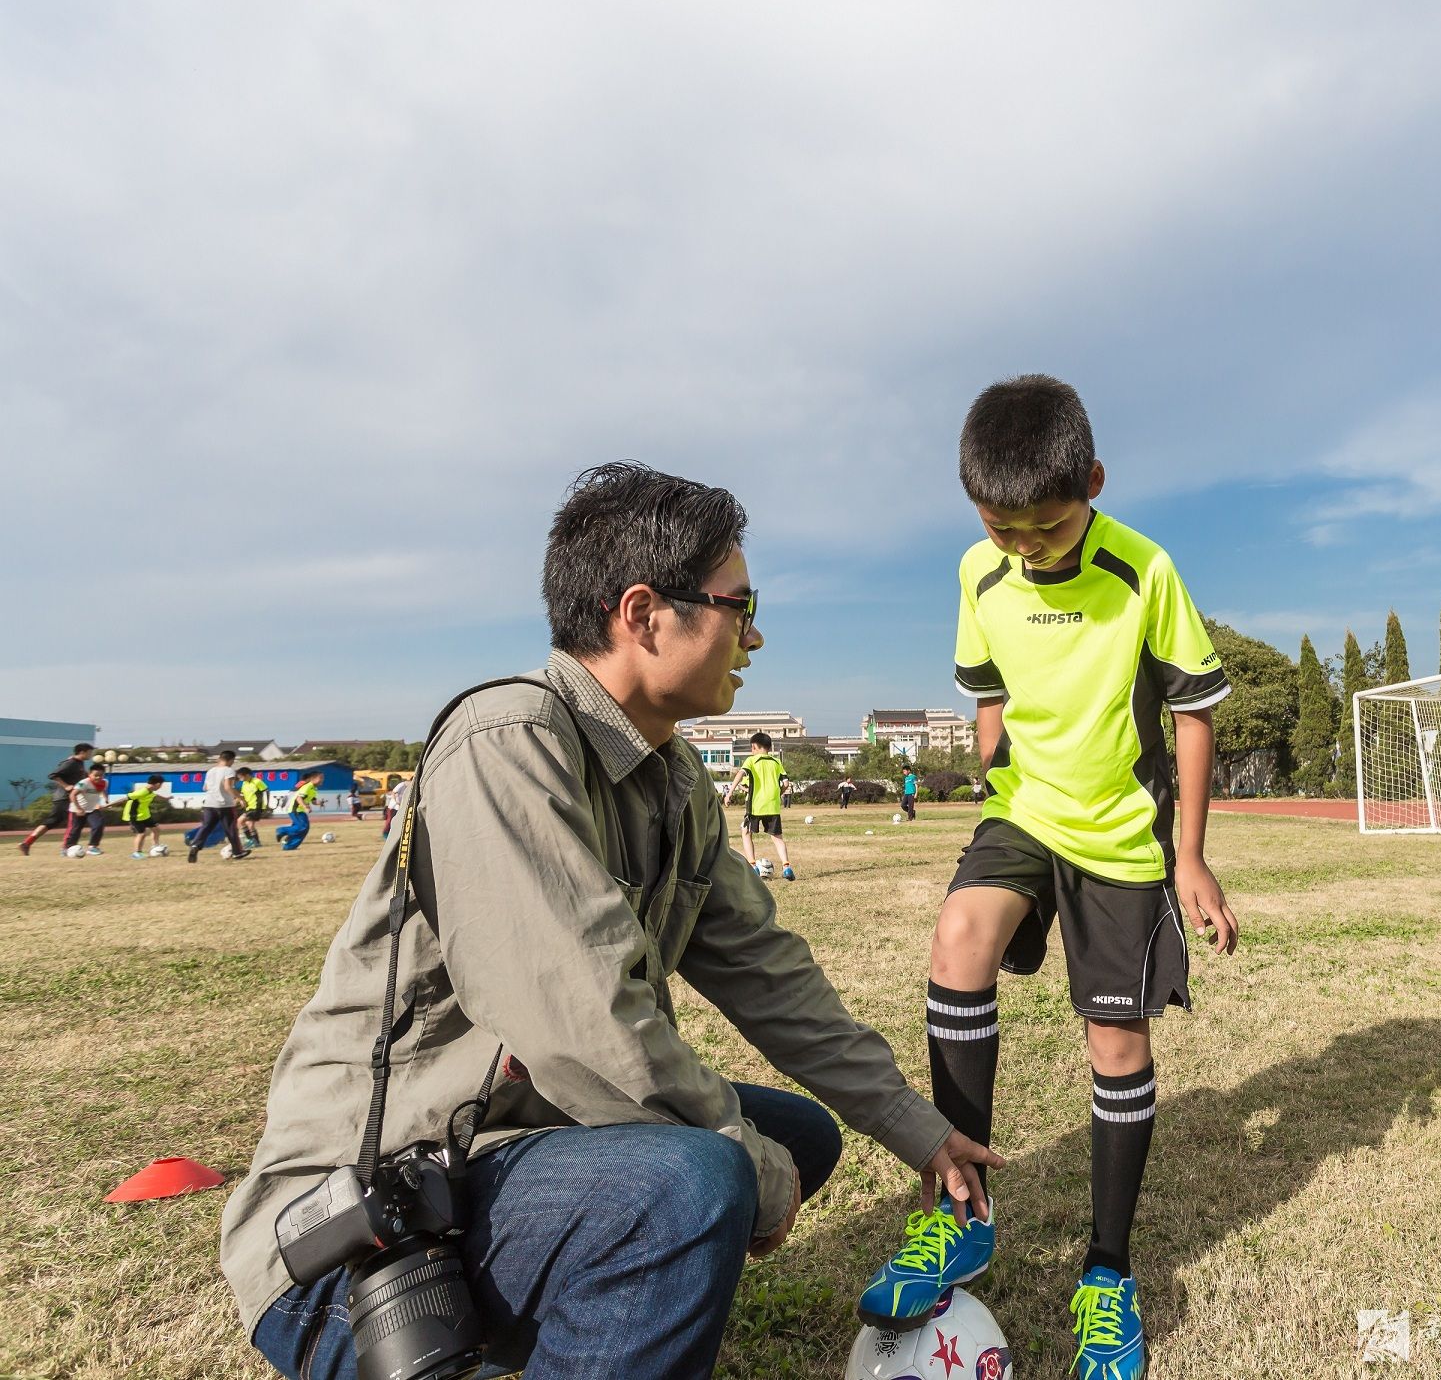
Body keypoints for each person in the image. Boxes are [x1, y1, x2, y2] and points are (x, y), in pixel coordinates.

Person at [220, 463, 998, 1380]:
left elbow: (770, 973)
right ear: (642, 612)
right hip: (365, 1231)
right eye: (737, 606)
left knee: (794, 1136)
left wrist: (915, 1125)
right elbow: (587, 1026)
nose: (755, 635)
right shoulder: (506, 744)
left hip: (512, 1152)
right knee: (704, 1176)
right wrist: (744, 1164)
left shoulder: (675, 785)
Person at [856, 375, 1238, 1380]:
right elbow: (988, 696)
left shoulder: (1141, 569)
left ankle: (1107, 1276)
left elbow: (1194, 709)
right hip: (1024, 807)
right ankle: (961, 1215)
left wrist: (1189, 854)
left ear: (1094, 484)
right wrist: (994, 772)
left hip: (1118, 834)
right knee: (958, 940)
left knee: (1115, 1041)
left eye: (1048, 527)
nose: (1026, 547)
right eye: (1002, 527)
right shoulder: (978, 575)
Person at [732, 731, 794, 880]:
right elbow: (786, 783)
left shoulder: (751, 761)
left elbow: (741, 774)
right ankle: (787, 867)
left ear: (755, 747)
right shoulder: (776, 762)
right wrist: (778, 793)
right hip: (772, 805)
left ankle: (753, 866)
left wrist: (730, 792)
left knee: (746, 832)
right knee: (777, 837)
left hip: (755, 805)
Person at [18, 742, 94, 856]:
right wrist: (66, 786)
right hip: (64, 798)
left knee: (51, 822)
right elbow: (53, 775)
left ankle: (26, 843)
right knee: (73, 822)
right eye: (89, 752)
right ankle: (66, 848)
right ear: (82, 752)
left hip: (65, 798)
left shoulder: (79, 763)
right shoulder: (71, 763)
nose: (91, 755)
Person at [189, 749, 250, 862]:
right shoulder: (229, 771)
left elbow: (205, 788)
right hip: (225, 805)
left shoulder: (210, 771)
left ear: (220, 758)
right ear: (231, 760)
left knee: (206, 827)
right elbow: (228, 787)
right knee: (231, 829)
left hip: (209, 804)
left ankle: (195, 846)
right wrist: (240, 798)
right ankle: (237, 852)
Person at [63, 762, 110, 855]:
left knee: (98, 825)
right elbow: (72, 795)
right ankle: (68, 848)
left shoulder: (104, 782)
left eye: (101, 775)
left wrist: (106, 800)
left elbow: (102, 790)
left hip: (93, 809)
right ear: (89, 774)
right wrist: (79, 808)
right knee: (75, 829)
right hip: (77, 809)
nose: (98, 777)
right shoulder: (83, 783)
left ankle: (93, 847)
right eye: (95, 775)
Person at [275, 770, 322, 850]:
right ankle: (281, 830)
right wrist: (305, 807)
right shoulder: (308, 786)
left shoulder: (314, 789)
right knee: (303, 827)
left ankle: (289, 846)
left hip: (300, 810)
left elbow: (313, 801)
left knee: (303, 829)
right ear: (313, 778)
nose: (322, 780)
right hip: (296, 810)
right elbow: (299, 798)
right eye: (320, 778)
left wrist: (319, 803)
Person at [124, 773, 167, 858]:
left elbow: (155, 796)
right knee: (142, 834)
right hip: (135, 816)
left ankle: (155, 846)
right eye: (161, 785)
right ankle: (136, 853)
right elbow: (126, 798)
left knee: (156, 829)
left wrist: (166, 798)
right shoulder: (142, 791)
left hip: (145, 815)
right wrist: (109, 805)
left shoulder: (150, 791)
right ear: (158, 784)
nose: (161, 787)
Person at [236, 767, 268, 849]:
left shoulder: (257, 781)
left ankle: (250, 840)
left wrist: (266, 804)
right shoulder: (244, 783)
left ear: (247, 775)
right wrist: (241, 801)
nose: (240, 779)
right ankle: (256, 842)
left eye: (240, 777)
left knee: (240, 821)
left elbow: (266, 792)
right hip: (248, 807)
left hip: (256, 807)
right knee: (250, 825)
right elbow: (242, 794)